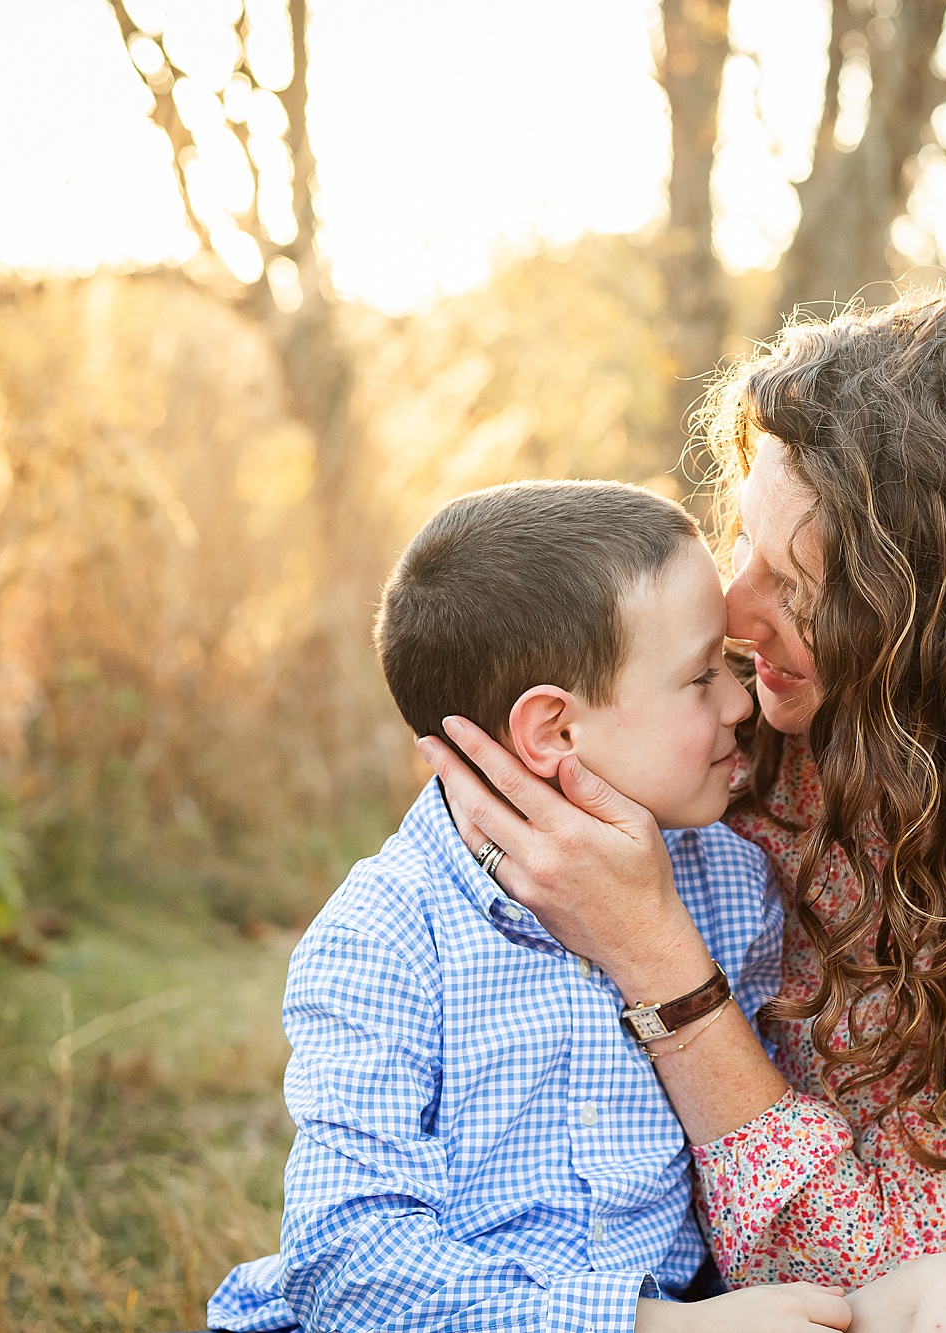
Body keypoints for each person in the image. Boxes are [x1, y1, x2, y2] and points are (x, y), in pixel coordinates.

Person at [421, 296, 946, 1315]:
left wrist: (658, 957)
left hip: (789, 1304)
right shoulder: (701, 732)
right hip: (559, 1280)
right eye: (742, 545)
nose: (736, 615)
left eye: (796, 586)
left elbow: (870, 1274)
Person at [205, 480, 855, 1333]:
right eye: (700, 676)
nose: (742, 703)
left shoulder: (735, 888)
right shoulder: (388, 934)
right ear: (553, 732)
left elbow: (754, 1178)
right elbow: (349, 1265)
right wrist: (659, 1328)